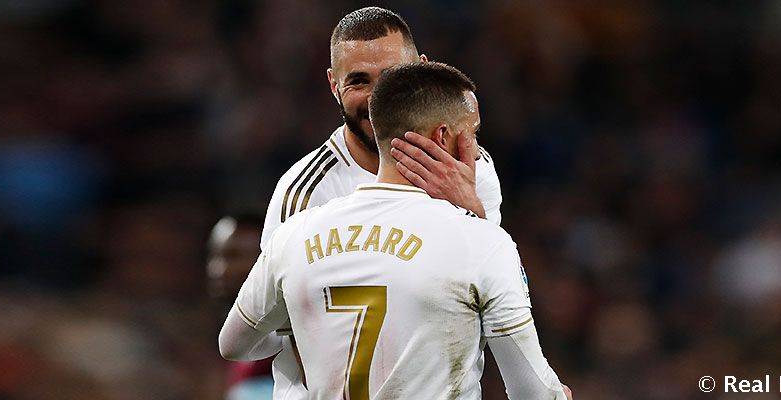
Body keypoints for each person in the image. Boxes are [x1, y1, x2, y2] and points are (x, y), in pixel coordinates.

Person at [221, 62, 571, 400]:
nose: (475, 149)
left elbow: (233, 344)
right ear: (442, 137)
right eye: (472, 133)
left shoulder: (296, 233)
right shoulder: (482, 242)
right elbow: (532, 391)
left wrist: (313, 319)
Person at [256, 7, 504, 398]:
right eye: (359, 81)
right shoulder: (304, 195)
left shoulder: (471, 167)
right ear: (333, 85)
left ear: (422, 71)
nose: (377, 99)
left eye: (392, 77)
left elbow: (492, 303)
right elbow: (274, 330)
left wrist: (470, 212)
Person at [207, 214, 274, 400]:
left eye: (234, 256)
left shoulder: (288, 340)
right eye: (214, 255)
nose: (218, 270)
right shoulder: (237, 337)